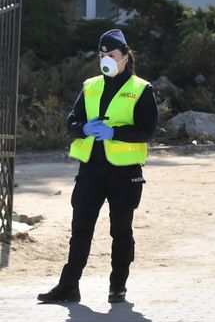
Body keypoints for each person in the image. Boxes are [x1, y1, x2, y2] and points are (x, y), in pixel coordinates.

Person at [38, 29, 157, 304]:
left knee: (120, 229)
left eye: (112, 55)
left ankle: (118, 286)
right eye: (102, 55)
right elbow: (71, 121)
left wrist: (115, 133)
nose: (107, 60)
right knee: (81, 227)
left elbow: (147, 130)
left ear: (125, 57)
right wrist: (84, 128)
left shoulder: (141, 89)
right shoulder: (91, 85)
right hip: (91, 169)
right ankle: (69, 286)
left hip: (124, 171)